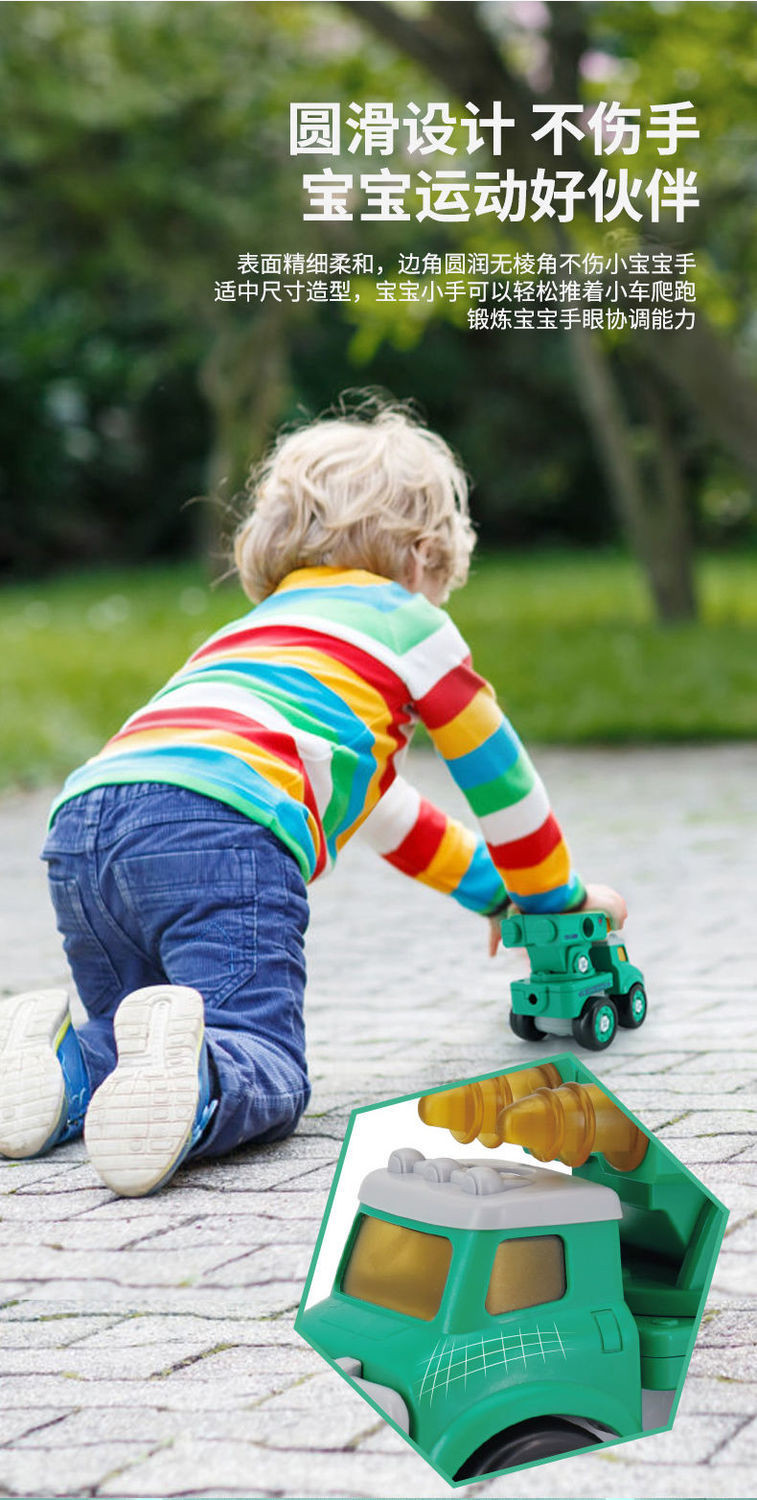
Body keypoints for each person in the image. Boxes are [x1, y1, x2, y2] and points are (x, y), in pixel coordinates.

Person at [0, 398, 626, 1197]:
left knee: (135, 1036)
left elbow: (396, 820)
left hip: (85, 827)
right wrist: (552, 900)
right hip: (221, 828)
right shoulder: (406, 622)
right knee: (256, 1055)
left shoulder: (257, 634)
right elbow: (499, 778)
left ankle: (53, 1067)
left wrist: (492, 896)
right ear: (424, 558)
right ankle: (200, 1081)